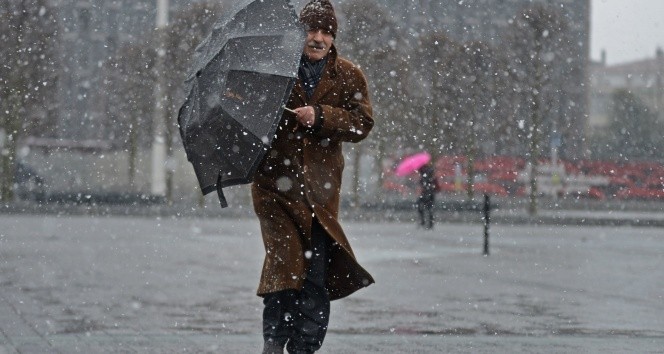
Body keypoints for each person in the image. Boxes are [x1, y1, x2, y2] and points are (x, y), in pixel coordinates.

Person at [251, 1, 375, 353]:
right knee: (284, 267)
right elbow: (249, 115)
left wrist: (320, 116)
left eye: (327, 32)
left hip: (320, 194)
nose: (319, 39)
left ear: (334, 37)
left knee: (315, 276)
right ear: (299, 33)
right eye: (312, 31)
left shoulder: (349, 75)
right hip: (274, 189)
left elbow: (362, 123)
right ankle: (274, 342)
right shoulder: (273, 71)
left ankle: (305, 346)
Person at [417, 162, 436, 229]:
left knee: (422, 207)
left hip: (427, 194)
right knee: (429, 209)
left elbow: (423, 185)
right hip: (430, 194)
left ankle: (424, 222)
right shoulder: (430, 175)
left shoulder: (425, 176)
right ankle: (429, 223)